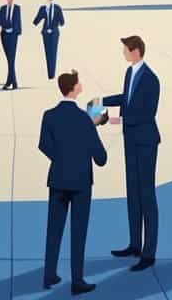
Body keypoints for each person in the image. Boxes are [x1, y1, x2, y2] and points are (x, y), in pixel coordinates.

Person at [39, 69, 107, 295]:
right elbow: (101, 158)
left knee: (54, 228)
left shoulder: (49, 115)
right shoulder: (85, 119)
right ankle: (77, 280)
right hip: (80, 183)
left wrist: (61, 158)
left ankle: (49, 274)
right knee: (78, 233)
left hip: (58, 179)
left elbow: (44, 145)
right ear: (74, 88)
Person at [101, 35, 161, 272]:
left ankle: (149, 253)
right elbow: (125, 99)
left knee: (146, 194)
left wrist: (114, 119)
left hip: (146, 142)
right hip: (131, 141)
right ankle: (135, 244)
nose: (123, 53)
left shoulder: (151, 79)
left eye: (125, 49)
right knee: (133, 193)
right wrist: (100, 101)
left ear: (136, 51)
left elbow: (147, 114)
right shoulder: (130, 73)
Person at [32, 0, 65, 80]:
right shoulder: (43, 8)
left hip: (54, 33)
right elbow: (36, 21)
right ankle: (49, 74)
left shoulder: (57, 8)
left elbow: (62, 22)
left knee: (53, 53)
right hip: (45, 33)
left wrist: (54, 25)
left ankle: (52, 74)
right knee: (47, 53)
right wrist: (39, 16)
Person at [0, 0, 21, 90]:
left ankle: (11, 82)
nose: (7, 0)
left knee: (11, 59)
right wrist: (5, 23)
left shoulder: (17, 8)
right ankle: (12, 81)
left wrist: (14, 30)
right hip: (4, 35)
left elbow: (18, 22)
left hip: (13, 36)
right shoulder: (2, 9)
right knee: (9, 59)